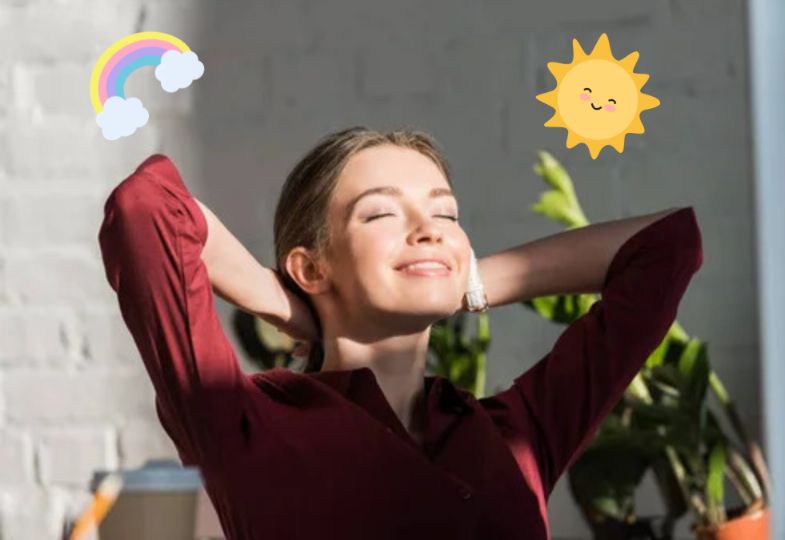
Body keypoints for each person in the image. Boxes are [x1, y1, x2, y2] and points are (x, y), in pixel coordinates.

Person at [97, 126, 703, 539]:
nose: (430, 229)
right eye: (382, 212)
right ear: (312, 267)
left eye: (445, 214)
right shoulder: (240, 422)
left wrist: (467, 281)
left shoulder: (519, 431)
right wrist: (279, 300)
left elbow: (667, 245)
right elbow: (145, 207)